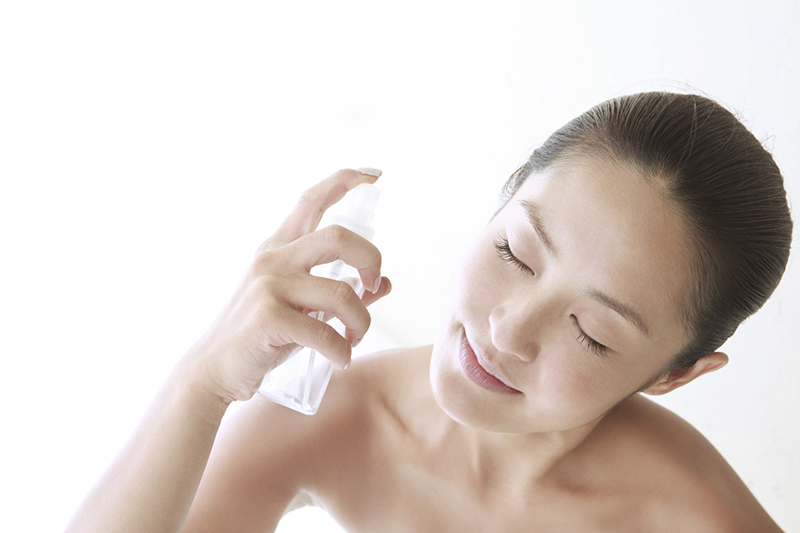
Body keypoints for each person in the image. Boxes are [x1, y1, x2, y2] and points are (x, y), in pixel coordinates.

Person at [65, 92, 792, 532]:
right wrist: (202, 385)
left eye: (591, 332)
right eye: (516, 251)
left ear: (677, 373)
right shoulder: (328, 417)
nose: (507, 331)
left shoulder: (695, 518)